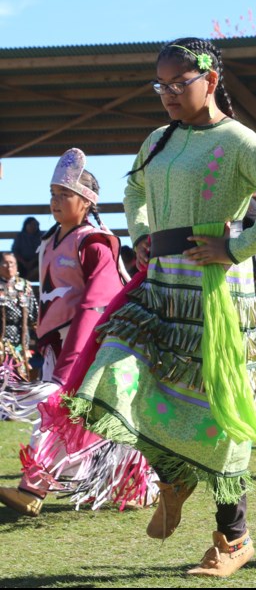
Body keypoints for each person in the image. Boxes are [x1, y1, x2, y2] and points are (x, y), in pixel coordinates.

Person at [65, 39, 256, 577]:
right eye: (161, 86)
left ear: (211, 81)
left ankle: (233, 537)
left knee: (220, 411)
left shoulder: (239, 141)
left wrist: (238, 246)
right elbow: (133, 192)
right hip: (160, 285)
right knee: (118, 368)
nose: (169, 95)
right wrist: (144, 233)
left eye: (179, 84)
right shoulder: (157, 140)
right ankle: (174, 474)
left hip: (216, 291)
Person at [0, 150, 155, 517]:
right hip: (61, 344)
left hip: (97, 344)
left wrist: (74, 355)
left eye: (63, 194)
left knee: (67, 410)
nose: (55, 201)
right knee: (99, 415)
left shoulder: (95, 242)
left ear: (86, 202)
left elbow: (96, 303)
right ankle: (132, 484)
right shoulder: (49, 241)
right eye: (52, 193)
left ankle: (33, 487)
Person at [0, 251, 37, 383]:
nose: (9, 266)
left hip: (22, 339)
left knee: (20, 376)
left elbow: (34, 316)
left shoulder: (25, 286)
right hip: (1, 340)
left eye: (12, 263)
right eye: (5, 263)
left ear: (16, 266)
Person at [12, 216, 42, 282]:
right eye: (31, 224)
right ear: (26, 225)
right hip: (21, 262)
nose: (33, 226)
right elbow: (15, 251)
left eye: (36, 225)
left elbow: (43, 251)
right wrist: (24, 262)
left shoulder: (42, 237)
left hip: (37, 261)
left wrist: (32, 262)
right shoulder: (20, 236)